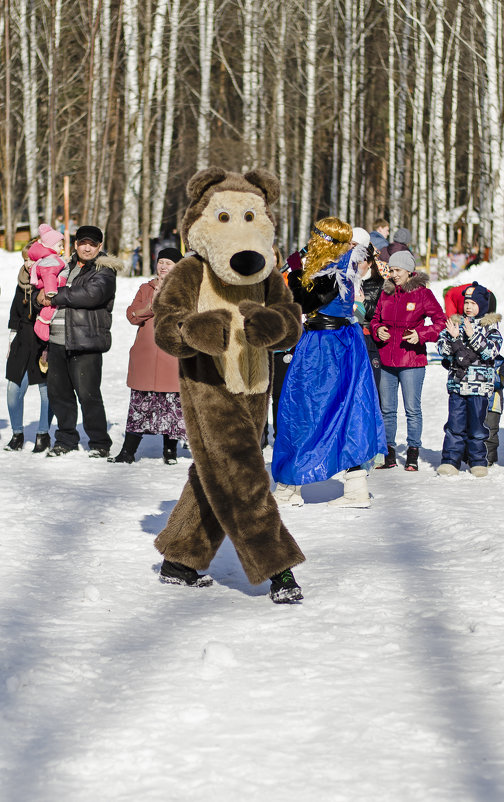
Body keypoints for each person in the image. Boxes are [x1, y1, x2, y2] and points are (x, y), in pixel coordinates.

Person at [271, 217, 387, 508]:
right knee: (348, 411)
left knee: (303, 409)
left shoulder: (335, 267)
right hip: (341, 343)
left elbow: (308, 301)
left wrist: (297, 270)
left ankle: (289, 487)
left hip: (325, 346)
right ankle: (355, 489)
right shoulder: (342, 263)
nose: (314, 240)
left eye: (319, 236)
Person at [35, 225, 122, 457]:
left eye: (92, 244)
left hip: (86, 342)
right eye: (83, 242)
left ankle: (100, 443)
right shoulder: (63, 265)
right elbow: (42, 289)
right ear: (75, 244)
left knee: (88, 394)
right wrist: (39, 297)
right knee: (59, 393)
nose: (87, 247)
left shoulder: (104, 269)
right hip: (56, 340)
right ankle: (65, 440)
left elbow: (92, 295)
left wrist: (55, 296)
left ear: (99, 247)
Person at [109, 248, 187, 464]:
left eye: (168, 263)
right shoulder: (146, 288)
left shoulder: (185, 291)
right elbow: (132, 315)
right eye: (160, 261)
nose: (163, 266)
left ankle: (170, 451)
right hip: (145, 358)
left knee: (171, 407)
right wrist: (153, 304)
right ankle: (128, 452)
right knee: (139, 407)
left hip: (171, 358)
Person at [370, 250, 445, 471]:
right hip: (387, 360)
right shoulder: (386, 293)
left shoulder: (422, 294)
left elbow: (441, 322)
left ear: (409, 271)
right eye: (391, 270)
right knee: (388, 410)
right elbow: (375, 319)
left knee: (412, 409)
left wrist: (421, 335)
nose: (393, 274)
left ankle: (413, 451)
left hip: (412, 361)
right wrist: (378, 329)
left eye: (398, 270)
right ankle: (389, 452)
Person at [437, 282, 502, 477]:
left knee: (478, 427)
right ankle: (450, 461)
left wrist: (472, 336)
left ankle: (478, 461)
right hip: (457, 386)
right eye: (466, 302)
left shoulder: (490, 329)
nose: (468, 307)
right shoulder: (454, 323)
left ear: (482, 305)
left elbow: (490, 352)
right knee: (454, 425)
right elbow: (442, 349)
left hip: (479, 388)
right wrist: (454, 339)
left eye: (473, 303)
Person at [4, 241, 52, 453]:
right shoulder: (21, 281)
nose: (28, 264)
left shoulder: (50, 281)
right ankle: (17, 434)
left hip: (44, 341)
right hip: (22, 341)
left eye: (33, 259)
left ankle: (43, 434)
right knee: (13, 389)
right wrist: (11, 339)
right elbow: (15, 312)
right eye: (25, 259)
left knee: (46, 391)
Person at [353, 243, 389, 389]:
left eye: (360, 261)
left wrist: (364, 303)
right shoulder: (346, 283)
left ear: (369, 263)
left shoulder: (379, 283)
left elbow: (383, 314)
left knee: (371, 386)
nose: (356, 265)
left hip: (370, 341)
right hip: (350, 339)